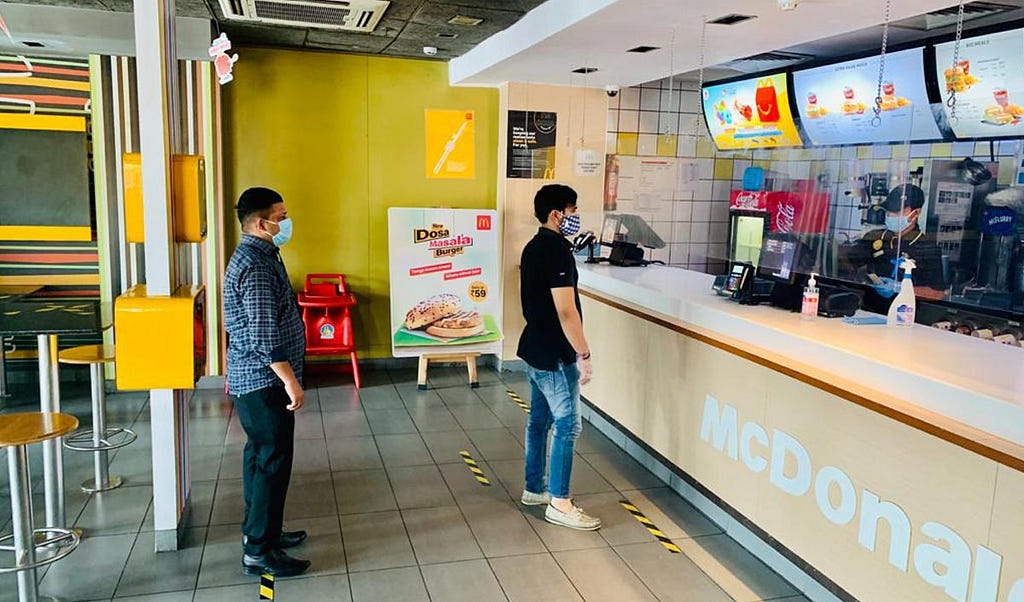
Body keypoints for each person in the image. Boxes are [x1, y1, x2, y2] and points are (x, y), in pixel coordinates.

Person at [224, 187, 310, 577]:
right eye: (282, 214)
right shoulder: (256, 266)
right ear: (262, 223)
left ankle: (261, 533)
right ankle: (259, 551)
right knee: (272, 462)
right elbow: (263, 333)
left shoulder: (259, 253)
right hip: (263, 381)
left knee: (260, 458)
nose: (286, 221)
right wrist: (291, 382)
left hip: (255, 379)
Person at [517, 184, 601, 531]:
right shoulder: (557, 252)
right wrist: (584, 353)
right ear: (557, 214)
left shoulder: (534, 246)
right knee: (568, 425)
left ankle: (534, 488)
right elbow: (566, 312)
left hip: (534, 348)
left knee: (539, 421)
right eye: (573, 210)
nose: (575, 217)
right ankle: (560, 503)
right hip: (554, 354)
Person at [847, 183, 947, 300]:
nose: (891, 216)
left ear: (916, 213)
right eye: (888, 211)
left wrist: (899, 288)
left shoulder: (926, 247)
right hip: (870, 309)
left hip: (906, 312)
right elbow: (847, 262)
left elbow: (937, 293)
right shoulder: (875, 237)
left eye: (898, 212)